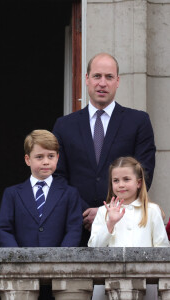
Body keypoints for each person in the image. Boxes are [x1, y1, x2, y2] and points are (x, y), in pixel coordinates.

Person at [52, 53, 156, 245]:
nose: (102, 83)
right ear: (86, 79)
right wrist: (83, 212)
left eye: (109, 77)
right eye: (97, 76)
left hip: (125, 228)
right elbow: (57, 176)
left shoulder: (138, 122)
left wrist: (104, 212)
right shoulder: (64, 126)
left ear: (117, 81)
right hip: (75, 229)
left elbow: (144, 172)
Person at [0, 129, 82, 247]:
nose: (46, 162)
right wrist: (17, 258)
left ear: (57, 157)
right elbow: (4, 229)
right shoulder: (12, 194)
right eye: (39, 157)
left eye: (51, 156)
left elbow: (74, 230)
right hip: (21, 262)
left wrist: (61, 259)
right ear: (28, 160)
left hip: (58, 262)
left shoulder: (70, 193)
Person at [88, 157, 169, 247]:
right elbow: (93, 248)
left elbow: (162, 248)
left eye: (126, 179)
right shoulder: (103, 211)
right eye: (116, 180)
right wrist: (110, 223)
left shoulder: (152, 210)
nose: (121, 185)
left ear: (139, 183)